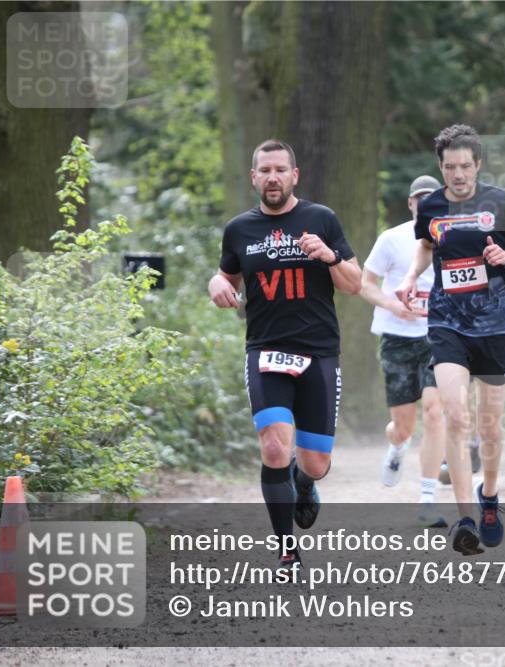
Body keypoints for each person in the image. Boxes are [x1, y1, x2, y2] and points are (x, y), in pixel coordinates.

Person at [395, 124, 505, 555]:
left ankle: (490, 497)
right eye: (449, 167)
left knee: (490, 426)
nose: (458, 174)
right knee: (455, 417)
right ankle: (465, 519)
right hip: (448, 324)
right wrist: (410, 277)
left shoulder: (501, 202)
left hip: (496, 329)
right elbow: (426, 245)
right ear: (440, 168)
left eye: (465, 166)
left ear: (478, 164)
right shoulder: (433, 207)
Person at [208, 139, 361, 567]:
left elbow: (353, 283)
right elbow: (225, 278)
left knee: (315, 463)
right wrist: (216, 285)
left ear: (295, 176)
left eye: (280, 169)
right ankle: (286, 549)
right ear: (254, 177)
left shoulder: (321, 219)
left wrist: (330, 256)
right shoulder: (239, 229)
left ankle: (304, 482)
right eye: (265, 170)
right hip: (265, 351)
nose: (272, 177)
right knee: (274, 447)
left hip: (319, 352)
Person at [359, 174, 448, 527]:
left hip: (437, 336)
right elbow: (365, 285)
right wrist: (393, 306)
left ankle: (427, 500)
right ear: (411, 203)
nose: (425, 204)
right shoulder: (391, 239)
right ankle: (397, 447)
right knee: (404, 426)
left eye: (432, 198)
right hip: (396, 337)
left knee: (434, 412)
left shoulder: (450, 238)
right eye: (419, 199)